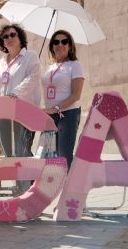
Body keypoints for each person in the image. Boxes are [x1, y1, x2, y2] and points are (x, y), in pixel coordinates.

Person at [0, 24, 41, 194]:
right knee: (10, 154)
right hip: (3, 113)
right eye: (5, 37)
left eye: (13, 34)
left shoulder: (30, 57)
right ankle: (21, 189)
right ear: (2, 42)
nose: (9, 38)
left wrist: (15, 94)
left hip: (23, 111)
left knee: (22, 151)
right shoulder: (0, 63)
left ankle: (30, 191)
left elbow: (33, 78)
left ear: (20, 38)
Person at [41, 30, 84, 170]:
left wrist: (57, 108)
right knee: (47, 155)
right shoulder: (49, 68)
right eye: (56, 42)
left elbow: (76, 95)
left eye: (64, 41)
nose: (60, 44)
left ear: (70, 45)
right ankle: (51, 189)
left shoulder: (75, 65)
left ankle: (70, 189)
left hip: (67, 114)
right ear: (52, 46)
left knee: (63, 155)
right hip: (49, 115)